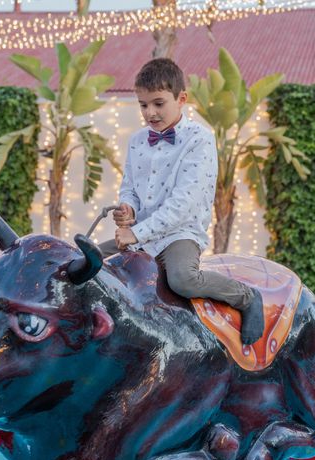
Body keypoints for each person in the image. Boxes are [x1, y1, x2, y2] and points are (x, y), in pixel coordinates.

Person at [98, 58, 264, 345]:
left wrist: (135, 232)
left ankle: (247, 297)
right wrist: (129, 209)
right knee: (87, 262)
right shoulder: (137, 140)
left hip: (179, 233)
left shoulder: (199, 139)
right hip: (141, 233)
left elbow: (182, 205)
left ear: (181, 99)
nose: (150, 112)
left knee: (182, 280)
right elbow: (130, 187)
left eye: (158, 103)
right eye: (143, 104)